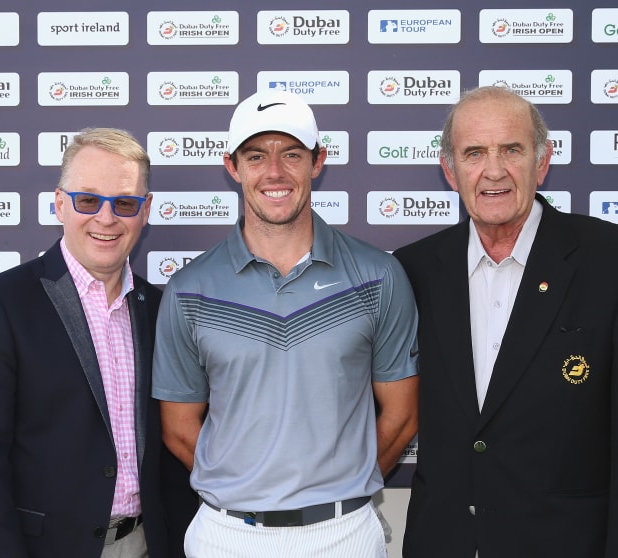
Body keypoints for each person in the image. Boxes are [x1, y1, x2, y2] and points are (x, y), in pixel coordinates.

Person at [393, 86, 618, 557]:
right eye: (474, 153)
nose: (494, 170)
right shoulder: (412, 270)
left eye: (512, 150)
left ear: (542, 163)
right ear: (450, 170)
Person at [151, 90, 420, 558]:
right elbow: (178, 427)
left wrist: (337, 485)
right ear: (232, 167)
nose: (274, 172)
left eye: (291, 153)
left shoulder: (378, 275)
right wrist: (248, 486)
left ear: (318, 162)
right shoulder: (190, 288)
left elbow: (401, 416)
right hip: (227, 536)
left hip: (344, 535)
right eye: (256, 156)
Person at [0, 127, 197, 558]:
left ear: (145, 210)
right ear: (60, 203)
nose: (106, 217)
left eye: (124, 203)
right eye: (87, 200)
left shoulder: (160, 309)